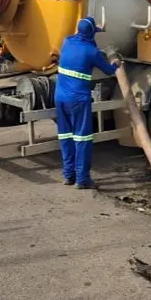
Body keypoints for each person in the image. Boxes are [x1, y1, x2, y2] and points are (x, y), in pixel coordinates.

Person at [55, 17, 121, 189]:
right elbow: (108, 70)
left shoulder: (67, 42)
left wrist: (95, 28)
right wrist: (116, 63)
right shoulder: (91, 52)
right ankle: (82, 180)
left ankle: (68, 175)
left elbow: (82, 35)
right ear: (92, 34)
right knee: (82, 139)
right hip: (78, 100)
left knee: (65, 137)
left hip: (60, 98)